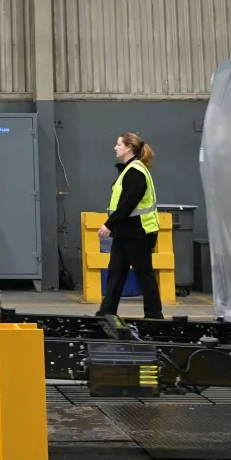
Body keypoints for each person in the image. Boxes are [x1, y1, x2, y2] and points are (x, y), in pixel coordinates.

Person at [98, 132, 164, 321]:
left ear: (128, 147)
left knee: (144, 275)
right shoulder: (129, 170)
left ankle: (154, 317)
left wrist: (109, 225)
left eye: (118, 144)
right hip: (126, 232)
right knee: (115, 274)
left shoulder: (136, 172)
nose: (115, 147)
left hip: (139, 233)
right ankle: (106, 313)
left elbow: (127, 204)